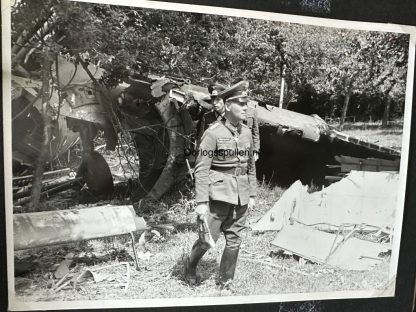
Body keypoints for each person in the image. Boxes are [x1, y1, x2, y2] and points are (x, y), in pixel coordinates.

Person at [183, 80, 256, 287]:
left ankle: (225, 281)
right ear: (228, 105)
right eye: (241, 104)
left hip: (241, 194)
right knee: (208, 239)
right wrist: (201, 202)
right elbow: (202, 168)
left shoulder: (247, 133)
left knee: (234, 240)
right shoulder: (213, 133)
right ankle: (189, 266)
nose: (245, 108)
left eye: (246, 104)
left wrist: (252, 194)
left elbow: (250, 166)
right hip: (219, 195)